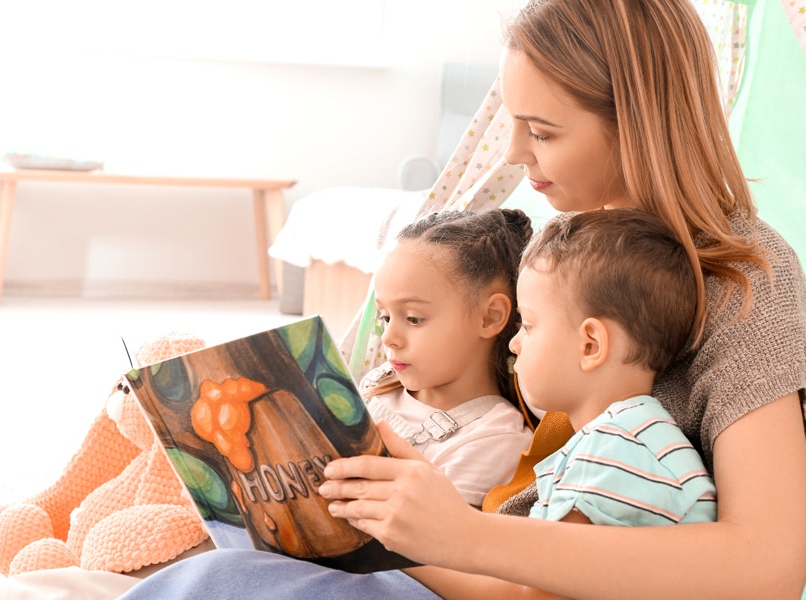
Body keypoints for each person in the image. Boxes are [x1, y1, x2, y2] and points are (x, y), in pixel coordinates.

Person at [117, 0, 806, 597]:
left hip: (510, 569)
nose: (512, 154)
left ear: (638, 122)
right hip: (487, 561)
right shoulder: (565, 243)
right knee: (222, 572)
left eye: (541, 131)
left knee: (223, 586)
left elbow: (767, 566)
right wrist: (408, 499)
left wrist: (462, 535)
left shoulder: (745, 275)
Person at [511, 208, 716, 528]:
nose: (514, 343)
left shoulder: (618, 449)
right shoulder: (622, 438)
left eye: (527, 325)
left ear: (590, 345)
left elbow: (537, 577)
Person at [360, 208, 534, 508]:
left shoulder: (495, 440)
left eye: (413, 318)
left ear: (490, 317)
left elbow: (436, 543)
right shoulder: (380, 381)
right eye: (385, 316)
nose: (388, 337)